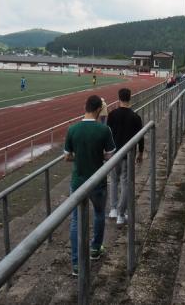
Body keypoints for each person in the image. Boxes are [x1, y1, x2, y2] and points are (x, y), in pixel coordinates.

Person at [64, 95, 116, 276]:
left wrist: (80, 156)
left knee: (75, 221)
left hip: (78, 181)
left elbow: (67, 156)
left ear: (85, 107)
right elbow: (110, 156)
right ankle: (95, 249)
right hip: (98, 181)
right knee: (100, 213)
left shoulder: (72, 129)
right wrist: (96, 155)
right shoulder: (104, 130)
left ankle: (77, 263)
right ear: (99, 110)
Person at [106, 88, 144, 226]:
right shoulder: (135, 117)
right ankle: (121, 215)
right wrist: (141, 152)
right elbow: (140, 137)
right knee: (125, 183)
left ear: (119, 98)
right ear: (130, 98)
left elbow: (107, 134)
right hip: (128, 154)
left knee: (114, 181)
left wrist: (106, 151)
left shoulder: (111, 115)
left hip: (114, 154)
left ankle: (113, 209)